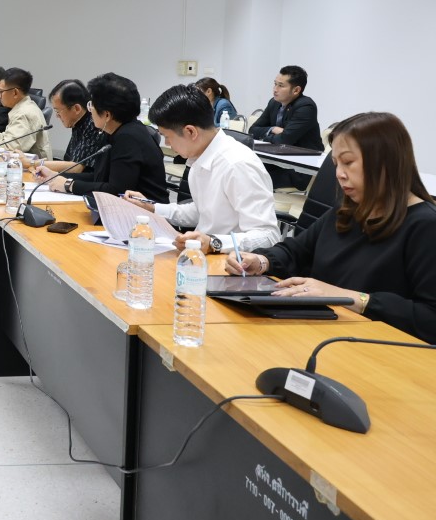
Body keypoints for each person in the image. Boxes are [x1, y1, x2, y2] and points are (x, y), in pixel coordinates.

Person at [228, 112, 436, 343]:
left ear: (385, 162)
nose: (339, 174)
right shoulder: (347, 211)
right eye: (336, 164)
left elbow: (429, 318)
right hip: (321, 334)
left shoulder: (425, 226)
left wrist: (348, 297)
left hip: (374, 348)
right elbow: (295, 251)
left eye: (348, 162)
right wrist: (261, 262)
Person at [123, 84, 279, 255]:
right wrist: (153, 208)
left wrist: (213, 243)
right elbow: (202, 212)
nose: (167, 144)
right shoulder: (200, 157)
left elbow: (268, 235)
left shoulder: (237, 165)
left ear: (190, 132)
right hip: (201, 256)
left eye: (167, 137)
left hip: (230, 261)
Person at [41, 73, 168, 202]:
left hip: (146, 212)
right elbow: (99, 177)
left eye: (92, 105)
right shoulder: (113, 131)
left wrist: (69, 185)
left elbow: (115, 191)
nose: (90, 110)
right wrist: (57, 176)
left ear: (107, 115)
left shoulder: (128, 138)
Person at [36, 79, 107, 175]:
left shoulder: (93, 125)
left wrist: (33, 163)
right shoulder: (78, 122)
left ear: (76, 108)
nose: (57, 116)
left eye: (58, 111)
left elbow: (76, 167)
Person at [249, 65, 322, 149]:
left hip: (306, 155)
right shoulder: (274, 102)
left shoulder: (306, 107)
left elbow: (284, 140)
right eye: (275, 84)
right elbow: (252, 130)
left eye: (281, 86)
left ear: (296, 90)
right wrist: (273, 129)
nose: (275, 89)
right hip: (278, 152)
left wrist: (264, 137)